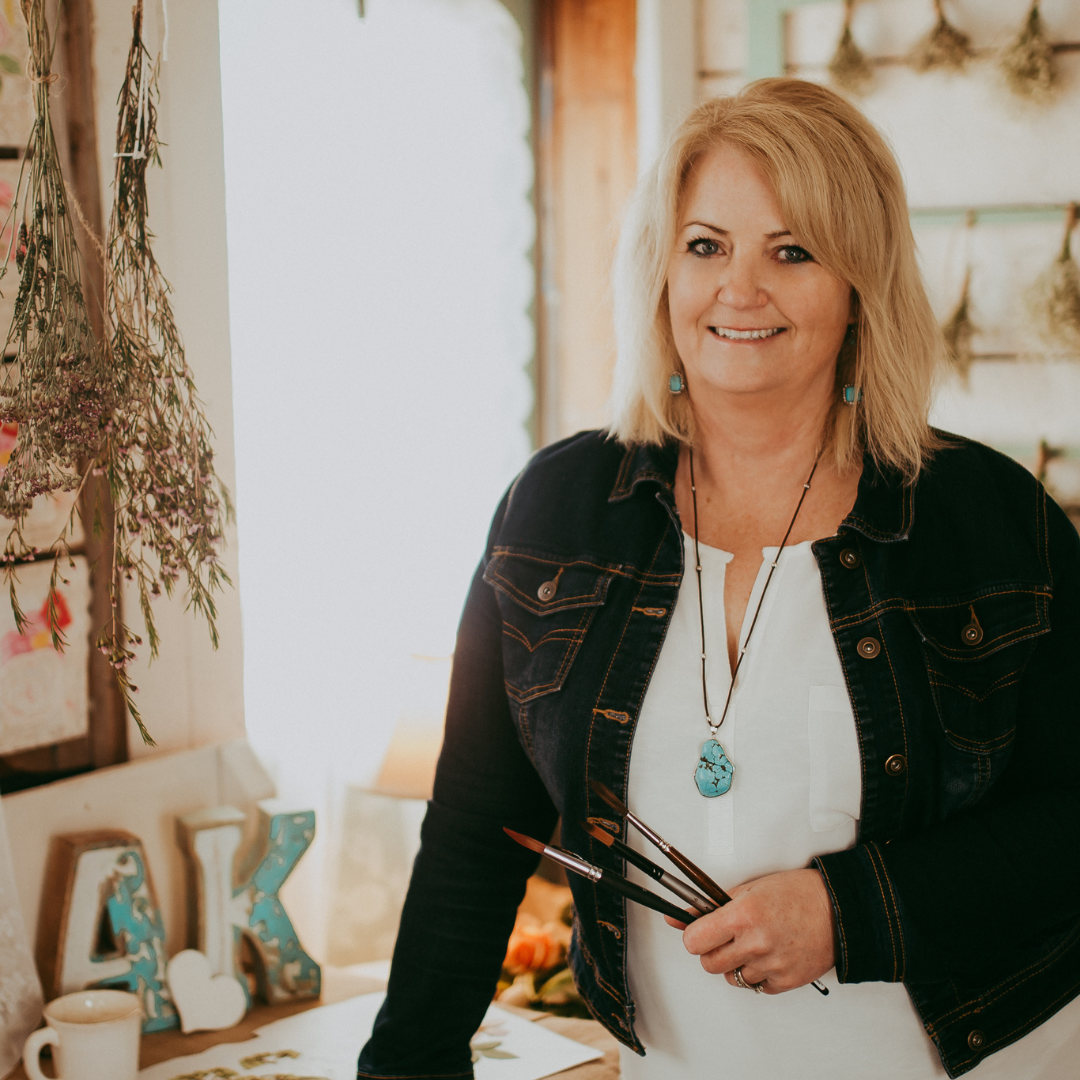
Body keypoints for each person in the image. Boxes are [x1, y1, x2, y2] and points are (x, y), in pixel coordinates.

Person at [357, 79, 1080, 1079]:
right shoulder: (556, 510)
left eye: (792, 250)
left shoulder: (993, 521)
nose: (741, 288)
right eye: (706, 246)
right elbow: (482, 833)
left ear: (859, 283)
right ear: (661, 271)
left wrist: (857, 910)